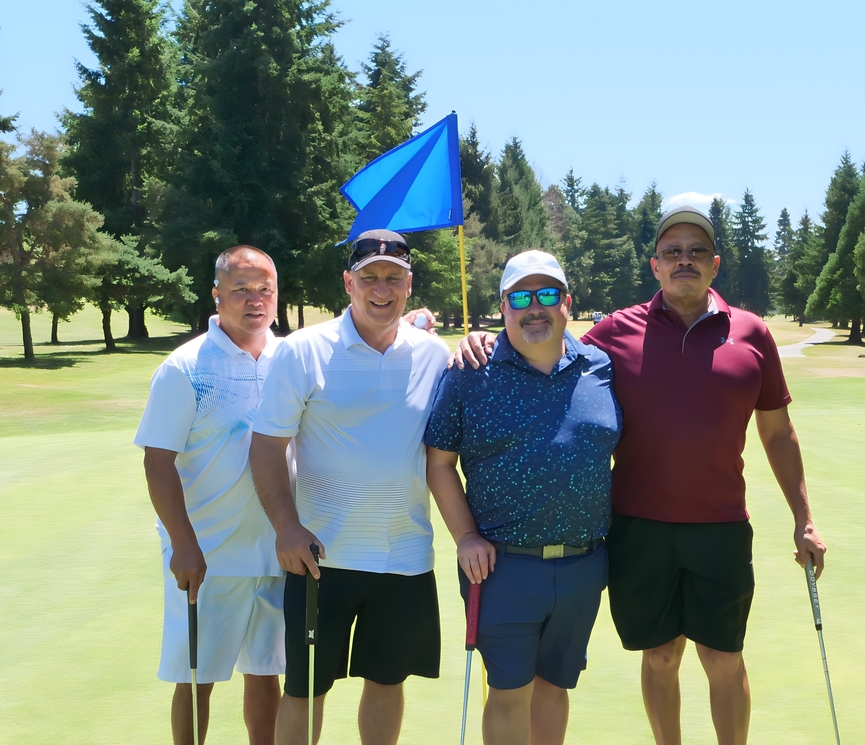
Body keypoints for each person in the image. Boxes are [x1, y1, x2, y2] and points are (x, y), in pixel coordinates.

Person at [456, 206, 828, 745]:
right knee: (659, 656)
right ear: (655, 265)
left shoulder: (752, 334)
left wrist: (804, 520)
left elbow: (777, 433)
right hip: (638, 528)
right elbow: (546, 340)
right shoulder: (613, 333)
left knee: (724, 658)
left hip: (721, 525)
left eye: (696, 252)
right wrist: (487, 342)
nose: (684, 261)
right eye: (672, 252)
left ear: (715, 263)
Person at [249, 229, 450, 745]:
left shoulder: (434, 355)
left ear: (409, 285)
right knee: (306, 689)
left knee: (387, 681)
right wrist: (286, 527)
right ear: (348, 283)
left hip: (404, 554)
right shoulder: (302, 351)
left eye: (394, 278)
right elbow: (266, 448)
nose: (381, 289)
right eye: (369, 278)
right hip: (321, 557)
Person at [425, 251, 621, 745]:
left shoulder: (599, 366)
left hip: (584, 564)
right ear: (503, 306)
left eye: (548, 295)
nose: (536, 307)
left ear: (567, 303)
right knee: (510, 692)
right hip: (501, 567)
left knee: (554, 689)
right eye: (521, 297)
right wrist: (465, 535)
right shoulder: (471, 371)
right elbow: (439, 463)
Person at [134, 245, 285, 745]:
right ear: (216, 294)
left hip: (276, 548)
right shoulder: (186, 367)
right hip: (206, 551)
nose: (254, 300)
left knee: (266, 672)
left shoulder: (290, 359)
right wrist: (183, 544)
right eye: (240, 288)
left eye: (264, 288)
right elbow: (157, 462)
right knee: (197, 677)